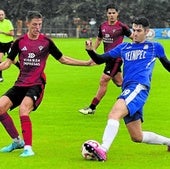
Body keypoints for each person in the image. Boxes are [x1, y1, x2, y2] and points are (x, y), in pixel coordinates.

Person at [0, 11, 92, 157]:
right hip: (20, 83)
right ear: (28, 24)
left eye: (40, 24)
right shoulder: (20, 42)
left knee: (24, 109)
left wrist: (86, 63)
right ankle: (17, 141)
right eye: (35, 24)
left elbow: (63, 59)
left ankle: (28, 148)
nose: (38, 27)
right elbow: (7, 63)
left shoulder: (46, 42)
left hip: (36, 84)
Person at [83, 16, 170, 161]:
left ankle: (103, 149)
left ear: (147, 31)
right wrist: (90, 51)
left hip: (139, 87)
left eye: (139, 30)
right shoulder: (124, 47)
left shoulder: (155, 47)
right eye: (133, 30)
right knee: (137, 136)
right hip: (128, 89)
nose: (135, 33)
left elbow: (168, 65)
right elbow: (99, 59)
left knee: (114, 114)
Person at [79, 4, 133, 115]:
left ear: (117, 14)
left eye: (114, 13)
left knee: (103, 80)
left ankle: (92, 108)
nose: (112, 15)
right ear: (106, 14)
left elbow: (134, 38)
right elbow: (99, 39)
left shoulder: (122, 27)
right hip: (107, 58)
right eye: (109, 13)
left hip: (116, 58)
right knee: (120, 83)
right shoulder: (103, 26)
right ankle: (134, 92)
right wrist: (93, 52)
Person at [0, 9, 20, 82]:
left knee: (13, 60)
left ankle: (21, 68)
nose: (1, 16)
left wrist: (2, 32)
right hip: (0, 44)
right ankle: (0, 77)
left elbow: (12, 33)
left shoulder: (8, 22)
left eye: (2, 15)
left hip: (9, 43)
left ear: (4, 15)